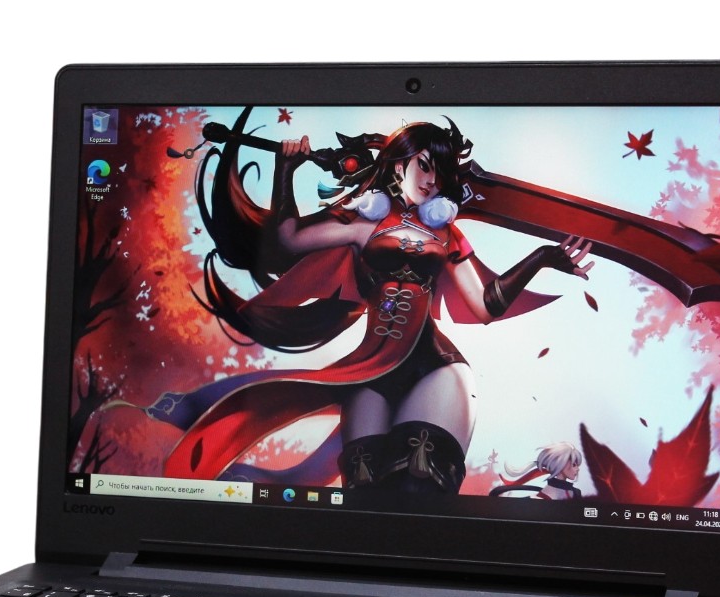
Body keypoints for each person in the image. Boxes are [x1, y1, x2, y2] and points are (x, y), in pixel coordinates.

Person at [142, 114, 593, 494]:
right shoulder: (363, 222)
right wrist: (286, 170)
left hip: (436, 368)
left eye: (440, 173)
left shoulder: (447, 233)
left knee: (419, 489)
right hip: (370, 372)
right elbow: (288, 239)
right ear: (399, 163)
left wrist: (541, 258)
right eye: (424, 165)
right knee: (364, 496)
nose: (432, 180)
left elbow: (484, 306)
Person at [495, 442, 585, 500]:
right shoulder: (542, 498)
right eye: (574, 465)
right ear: (561, 465)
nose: (578, 469)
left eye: (577, 465)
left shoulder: (575, 493)